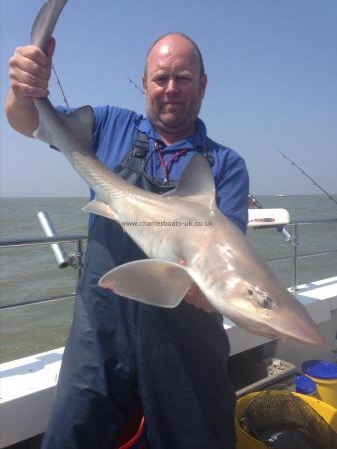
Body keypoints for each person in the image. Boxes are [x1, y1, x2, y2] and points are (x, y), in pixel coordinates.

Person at [5, 32, 249, 449]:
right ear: (144, 82)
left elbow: (225, 262)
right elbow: (25, 120)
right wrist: (23, 90)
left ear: (203, 84)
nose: (170, 88)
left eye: (183, 78)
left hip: (185, 347)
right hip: (99, 337)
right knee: (70, 438)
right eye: (160, 78)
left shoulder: (224, 166)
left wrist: (214, 292)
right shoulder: (107, 126)